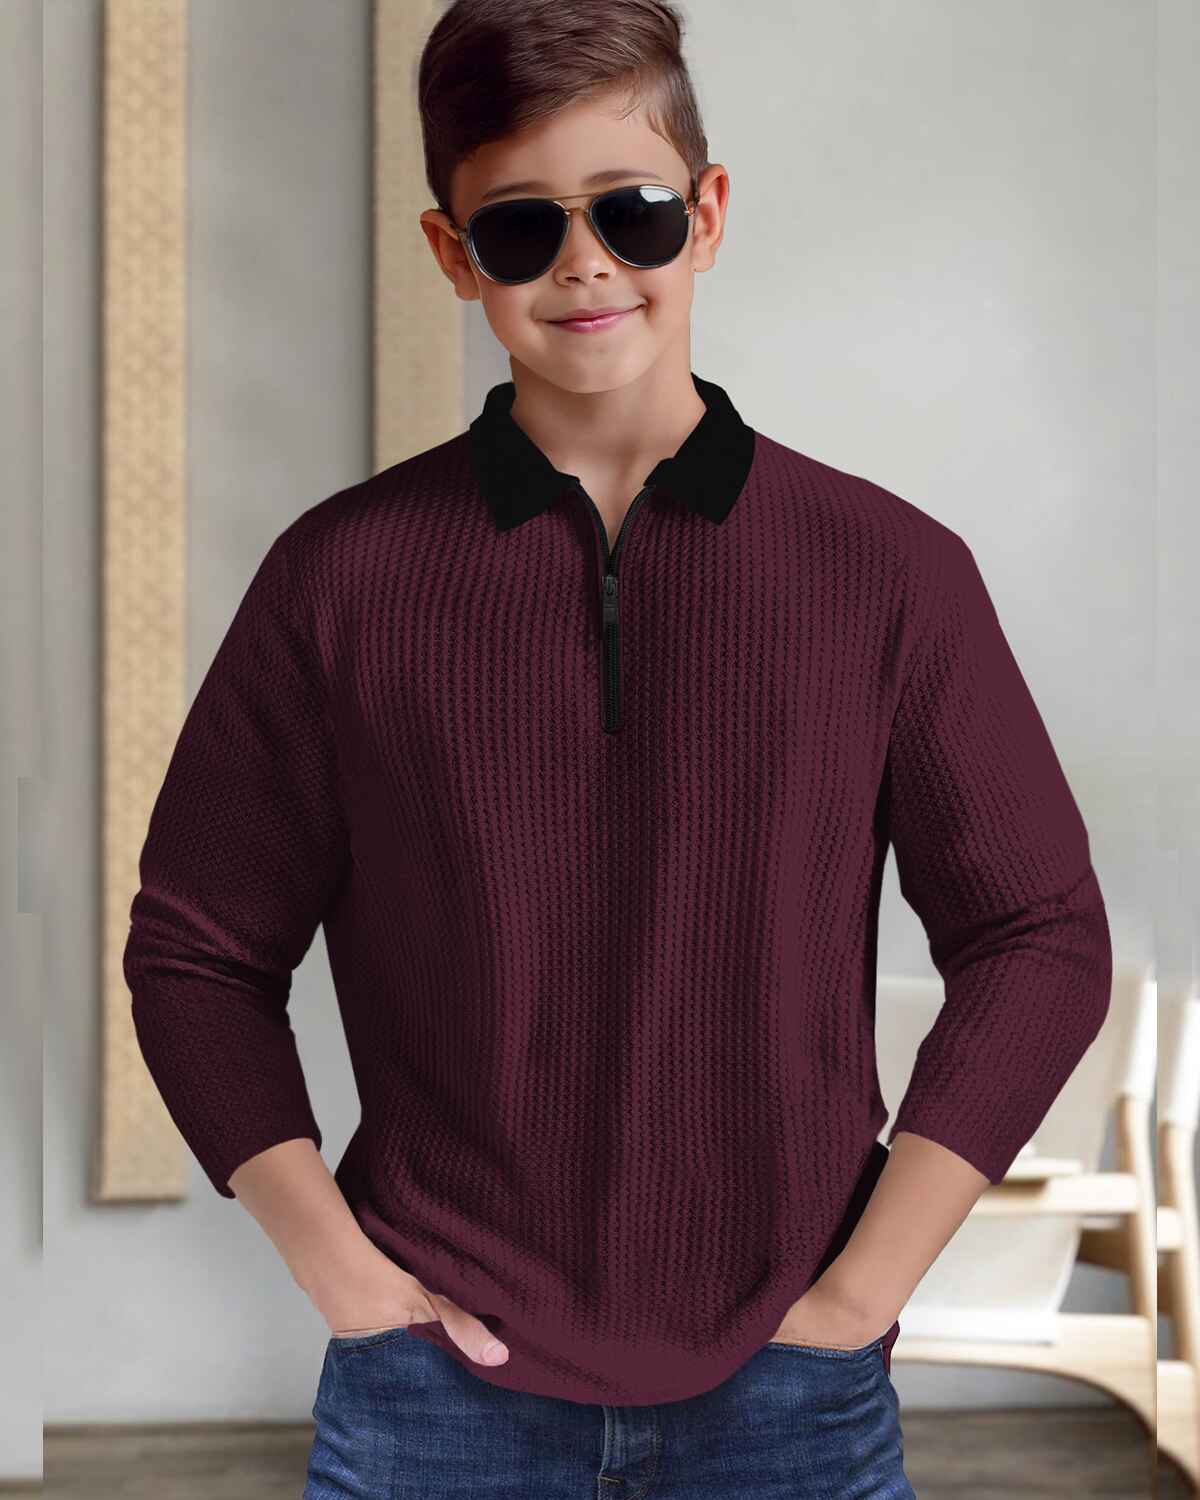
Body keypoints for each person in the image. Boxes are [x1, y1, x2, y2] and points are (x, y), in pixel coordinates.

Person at [123, 1, 1113, 1494]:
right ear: (453, 254)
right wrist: (344, 1277)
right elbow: (196, 953)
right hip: (432, 1398)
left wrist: (861, 1294)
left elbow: (1038, 936)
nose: (583, 264)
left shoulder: (888, 572)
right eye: (520, 229)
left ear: (704, 217)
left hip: (791, 1395)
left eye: (630, 211)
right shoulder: (339, 579)